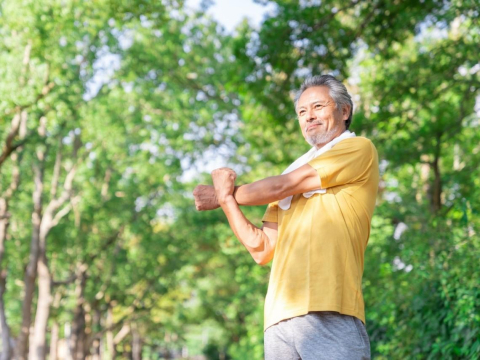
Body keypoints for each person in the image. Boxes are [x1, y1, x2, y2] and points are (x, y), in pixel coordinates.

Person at [193, 75, 378, 359]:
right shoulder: (293, 171)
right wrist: (227, 200)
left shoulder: (357, 148)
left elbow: (282, 186)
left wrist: (221, 194)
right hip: (279, 319)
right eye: (302, 112)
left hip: (329, 307)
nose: (309, 117)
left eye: (318, 107)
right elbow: (262, 249)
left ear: (344, 111)